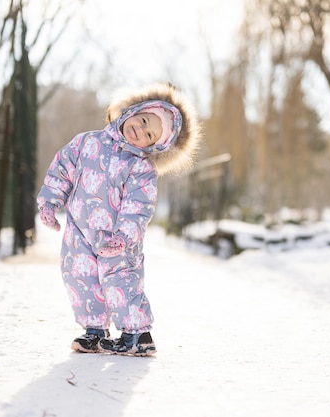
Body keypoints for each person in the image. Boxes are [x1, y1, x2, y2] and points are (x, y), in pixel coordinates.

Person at [36, 82, 201, 356]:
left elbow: (138, 207)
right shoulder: (86, 142)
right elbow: (62, 168)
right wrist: (50, 201)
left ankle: (137, 334)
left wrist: (124, 237)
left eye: (149, 135)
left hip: (117, 238)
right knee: (79, 277)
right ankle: (95, 331)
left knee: (121, 281)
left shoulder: (140, 168)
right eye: (144, 120)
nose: (140, 130)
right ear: (133, 111)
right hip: (79, 230)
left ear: (153, 146)